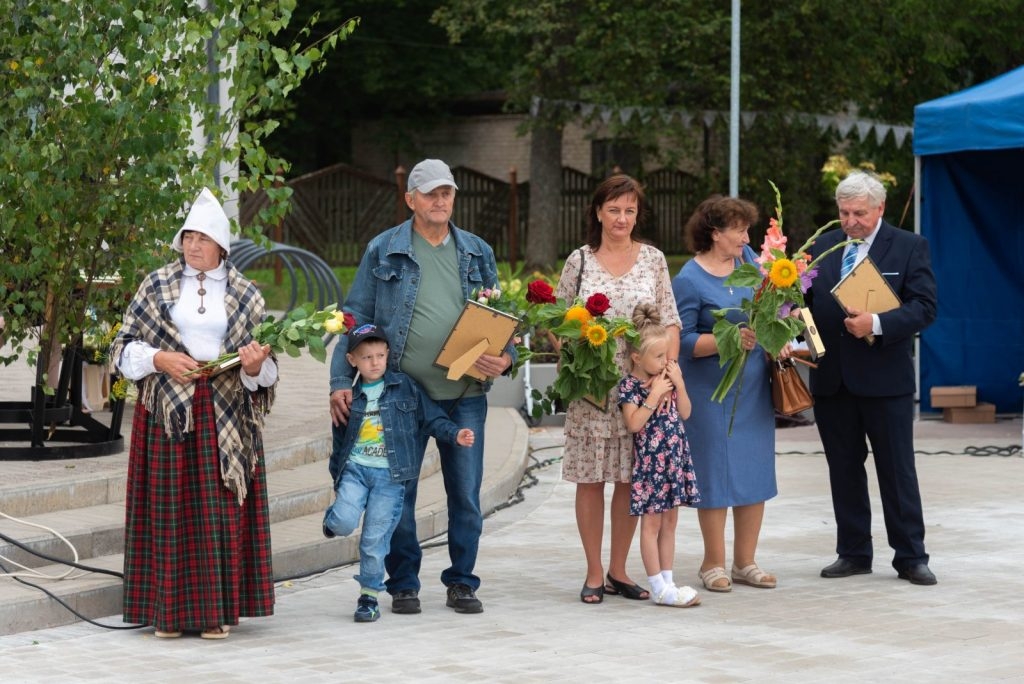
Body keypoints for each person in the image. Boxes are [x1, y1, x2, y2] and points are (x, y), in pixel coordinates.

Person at [329, 159, 513, 615]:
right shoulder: (384, 249)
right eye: (430, 193)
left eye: (447, 192)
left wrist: (507, 358)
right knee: (399, 496)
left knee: (466, 495)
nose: (440, 200)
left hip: (465, 396)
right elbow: (355, 317)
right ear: (410, 199)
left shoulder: (476, 251)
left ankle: (462, 582)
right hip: (400, 397)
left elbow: (505, 323)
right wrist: (339, 380)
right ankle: (404, 582)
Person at [110, 187, 277, 639]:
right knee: (168, 511)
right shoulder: (156, 284)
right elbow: (121, 347)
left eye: (202, 238)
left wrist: (256, 367)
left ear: (221, 245)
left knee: (217, 514)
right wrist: (160, 360)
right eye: (187, 238)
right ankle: (166, 614)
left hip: (224, 413)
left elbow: (268, 371)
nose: (193, 246)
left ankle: (214, 613)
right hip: (168, 412)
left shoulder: (246, 295)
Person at [805, 170, 938, 586]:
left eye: (859, 213)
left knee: (897, 472)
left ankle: (911, 556)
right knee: (843, 469)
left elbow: (924, 308)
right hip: (832, 380)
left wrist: (877, 323)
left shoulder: (909, 246)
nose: (851, 222)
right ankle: (854, 552)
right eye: (844, 213)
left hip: (886, 381)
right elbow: (802, 304)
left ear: (879, 208)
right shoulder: (823, 247)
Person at [554, 174, 681, 604]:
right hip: (592, 391)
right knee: (591, 480)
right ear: (597, 213)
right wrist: (574, 357)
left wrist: (664, 379)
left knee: (631, 479)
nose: (621, 218)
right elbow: (556, 321)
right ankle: (593, 572)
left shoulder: (654, 260)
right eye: (613, 210)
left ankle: (619, 570)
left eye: (629, 210)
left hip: (641, 392)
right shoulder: (580, 261)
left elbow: (671, 321)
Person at [323, 323, 475, 622]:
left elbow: (431, 418)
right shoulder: (350, 398)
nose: (375, 362)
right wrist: (337, 480)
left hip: (390, 479)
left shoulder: (404, 387)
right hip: (355, 471)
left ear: (388, 355)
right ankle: (334, 519)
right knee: (342, 522)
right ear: (352, 360)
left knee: (374, 540)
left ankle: (368, 596)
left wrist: (454, 433)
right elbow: (339, 444)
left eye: (380, 355)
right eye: (366, 357)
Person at [672, 196, 784, 593]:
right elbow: (682, 339)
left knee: (754, 469)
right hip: (710, 391)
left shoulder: (751, 264)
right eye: (738, 230)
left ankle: (745, 562)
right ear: (715, 233)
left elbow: (774, 311)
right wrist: (727, 340)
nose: (746, 237)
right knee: (715, 473)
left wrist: (779, 336)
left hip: (752, 386)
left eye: (747, 230)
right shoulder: (688, 279)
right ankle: (712, 563)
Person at [618, 303, 701, 608]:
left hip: (674, 460)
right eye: (658, 357)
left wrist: (678, 383)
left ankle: (668, 581)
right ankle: (656, 585)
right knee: (651, 525)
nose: (665, 361)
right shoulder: (630, 386)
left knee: (670, 524)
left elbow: (687, 413)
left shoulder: (668, 380)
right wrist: (653, 397)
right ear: (637, 357)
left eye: (666, 355)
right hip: (652, 465)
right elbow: (634, 424)